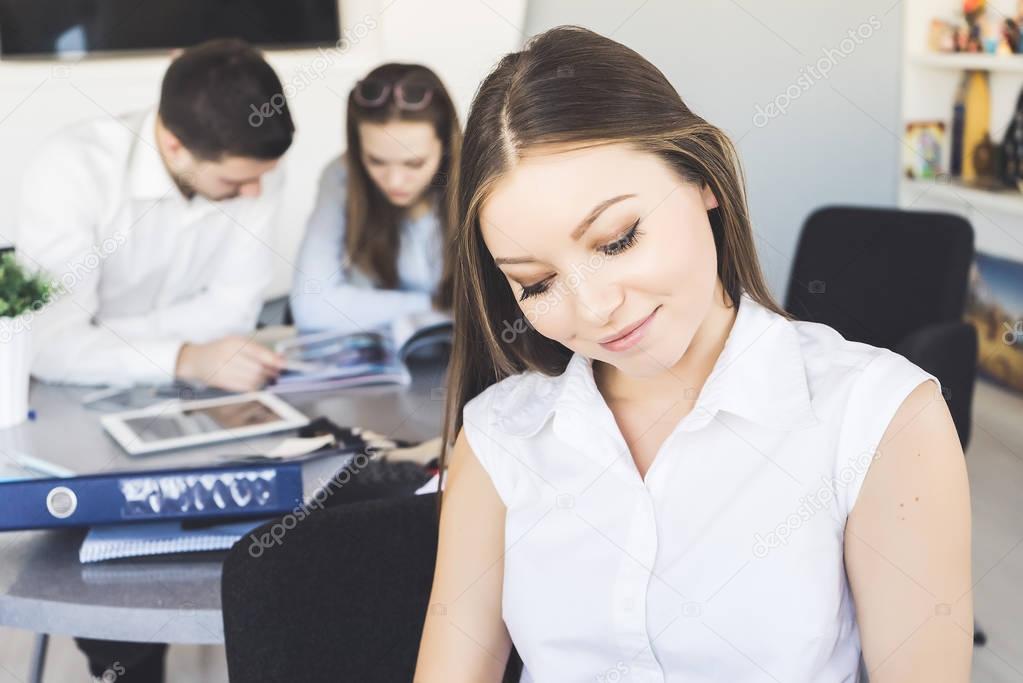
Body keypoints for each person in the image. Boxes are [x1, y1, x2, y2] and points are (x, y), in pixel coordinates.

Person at [415, 26, 973, 682]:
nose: (593, 309)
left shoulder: (878, 418)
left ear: (701, 179)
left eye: (617, 240)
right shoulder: (498, 438)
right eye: (535, 283)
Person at [17, 38, 293, 393]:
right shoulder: (71, 170)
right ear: (174, 146)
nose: (255, 192)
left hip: (196, 389)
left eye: (263, 177)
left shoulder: (256, 172)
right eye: (234, 181)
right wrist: (184, 358)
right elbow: (48, 347)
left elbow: (234, 312)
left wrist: (102, 338)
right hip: (69, 396)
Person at [289, 63, 459, 333]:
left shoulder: (478, 179)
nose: (394, 181)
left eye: (413, 163)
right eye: (376, 161)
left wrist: (373, 307)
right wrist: (439, 308)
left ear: (446, 147)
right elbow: (311, 307)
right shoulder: (340, 176)